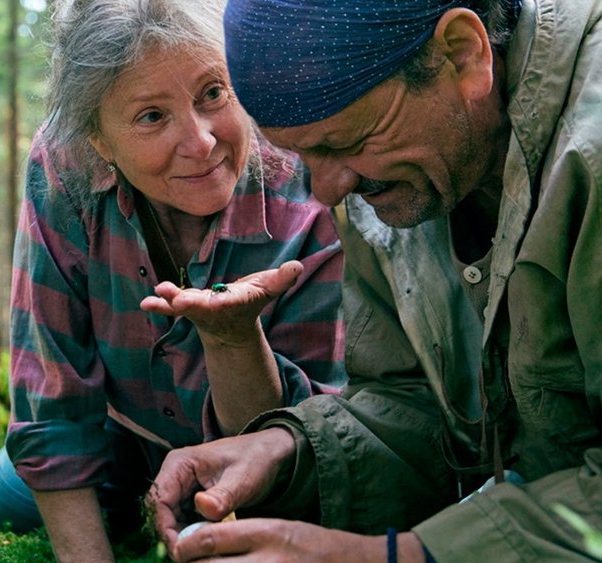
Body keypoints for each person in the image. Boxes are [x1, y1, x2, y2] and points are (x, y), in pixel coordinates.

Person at [148, 0, 602, 561]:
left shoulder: (590, 154)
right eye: (302, 155)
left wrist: (395, 556)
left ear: (463, 54)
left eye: (342, 143)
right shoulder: (401, 178)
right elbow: (414, 403)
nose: (327, 190)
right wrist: (291, 452)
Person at [0, 0, 347, 561]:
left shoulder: (306, 175)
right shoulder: (64, 163)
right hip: (120, 433)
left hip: (264, 459)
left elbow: (302, 435)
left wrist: (233, 339)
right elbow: (52, 397)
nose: (200, 143)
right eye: (151, 116)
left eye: (213, 93)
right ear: (100, 141)